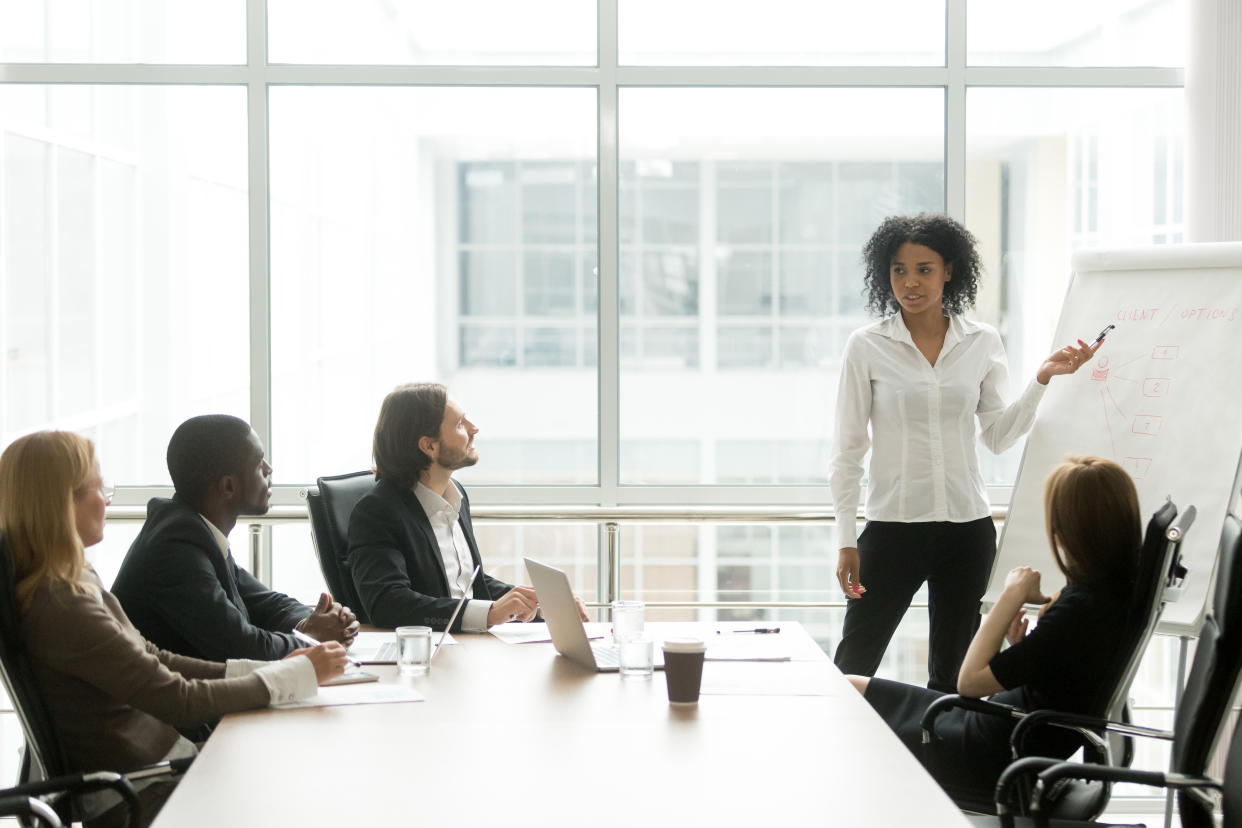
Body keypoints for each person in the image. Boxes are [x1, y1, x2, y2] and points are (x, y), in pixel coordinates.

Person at [0, 431, 348, 828]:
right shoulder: (61, 604)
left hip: (168, 768)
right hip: (145, 793)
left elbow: (155, 657)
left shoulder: (73, 578)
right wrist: (293, 675)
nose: (108, 499)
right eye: (99, 488)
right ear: (60, 504)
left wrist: (280, 669)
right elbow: (175, 698)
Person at [830, 213, 1099, 691]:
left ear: (949, 271)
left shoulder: (981, 341)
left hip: (967, 532)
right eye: (898, 270)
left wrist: (1042, 380)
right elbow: (848, 450)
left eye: (924, 269)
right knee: (853, 662)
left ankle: (943, 764)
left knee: (954, 677)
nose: (910, 282)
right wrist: (846, 539)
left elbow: (997, 434)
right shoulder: (866, 346)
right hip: (892, 528)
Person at [844, 455, 1141, 793]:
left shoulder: (1077, 609)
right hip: (1001, 731)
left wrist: (1010, 594)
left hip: (987, 751)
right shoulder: (1111, 594)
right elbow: (1065, 675)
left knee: (845, 699)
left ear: (1067, 529)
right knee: (847, 688)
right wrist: (1021, 649)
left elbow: (968, 682)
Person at [112, 415, 359, 662]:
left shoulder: (196, 532)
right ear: (228, 486)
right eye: (259, 462)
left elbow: (268, 604)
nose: (269, 469)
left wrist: (317, 620)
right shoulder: (175, 550)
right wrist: (313, 636)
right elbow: (243, 648)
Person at [348, 382, 588, 630]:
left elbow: (469, 583)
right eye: (460, 424)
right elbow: (388, 604)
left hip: (470, 644)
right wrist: (489, 613)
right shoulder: (377, 512)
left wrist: (537, 603)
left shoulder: (455, 496)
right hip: (428, 655)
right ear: (429, 445)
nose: (474, 429)